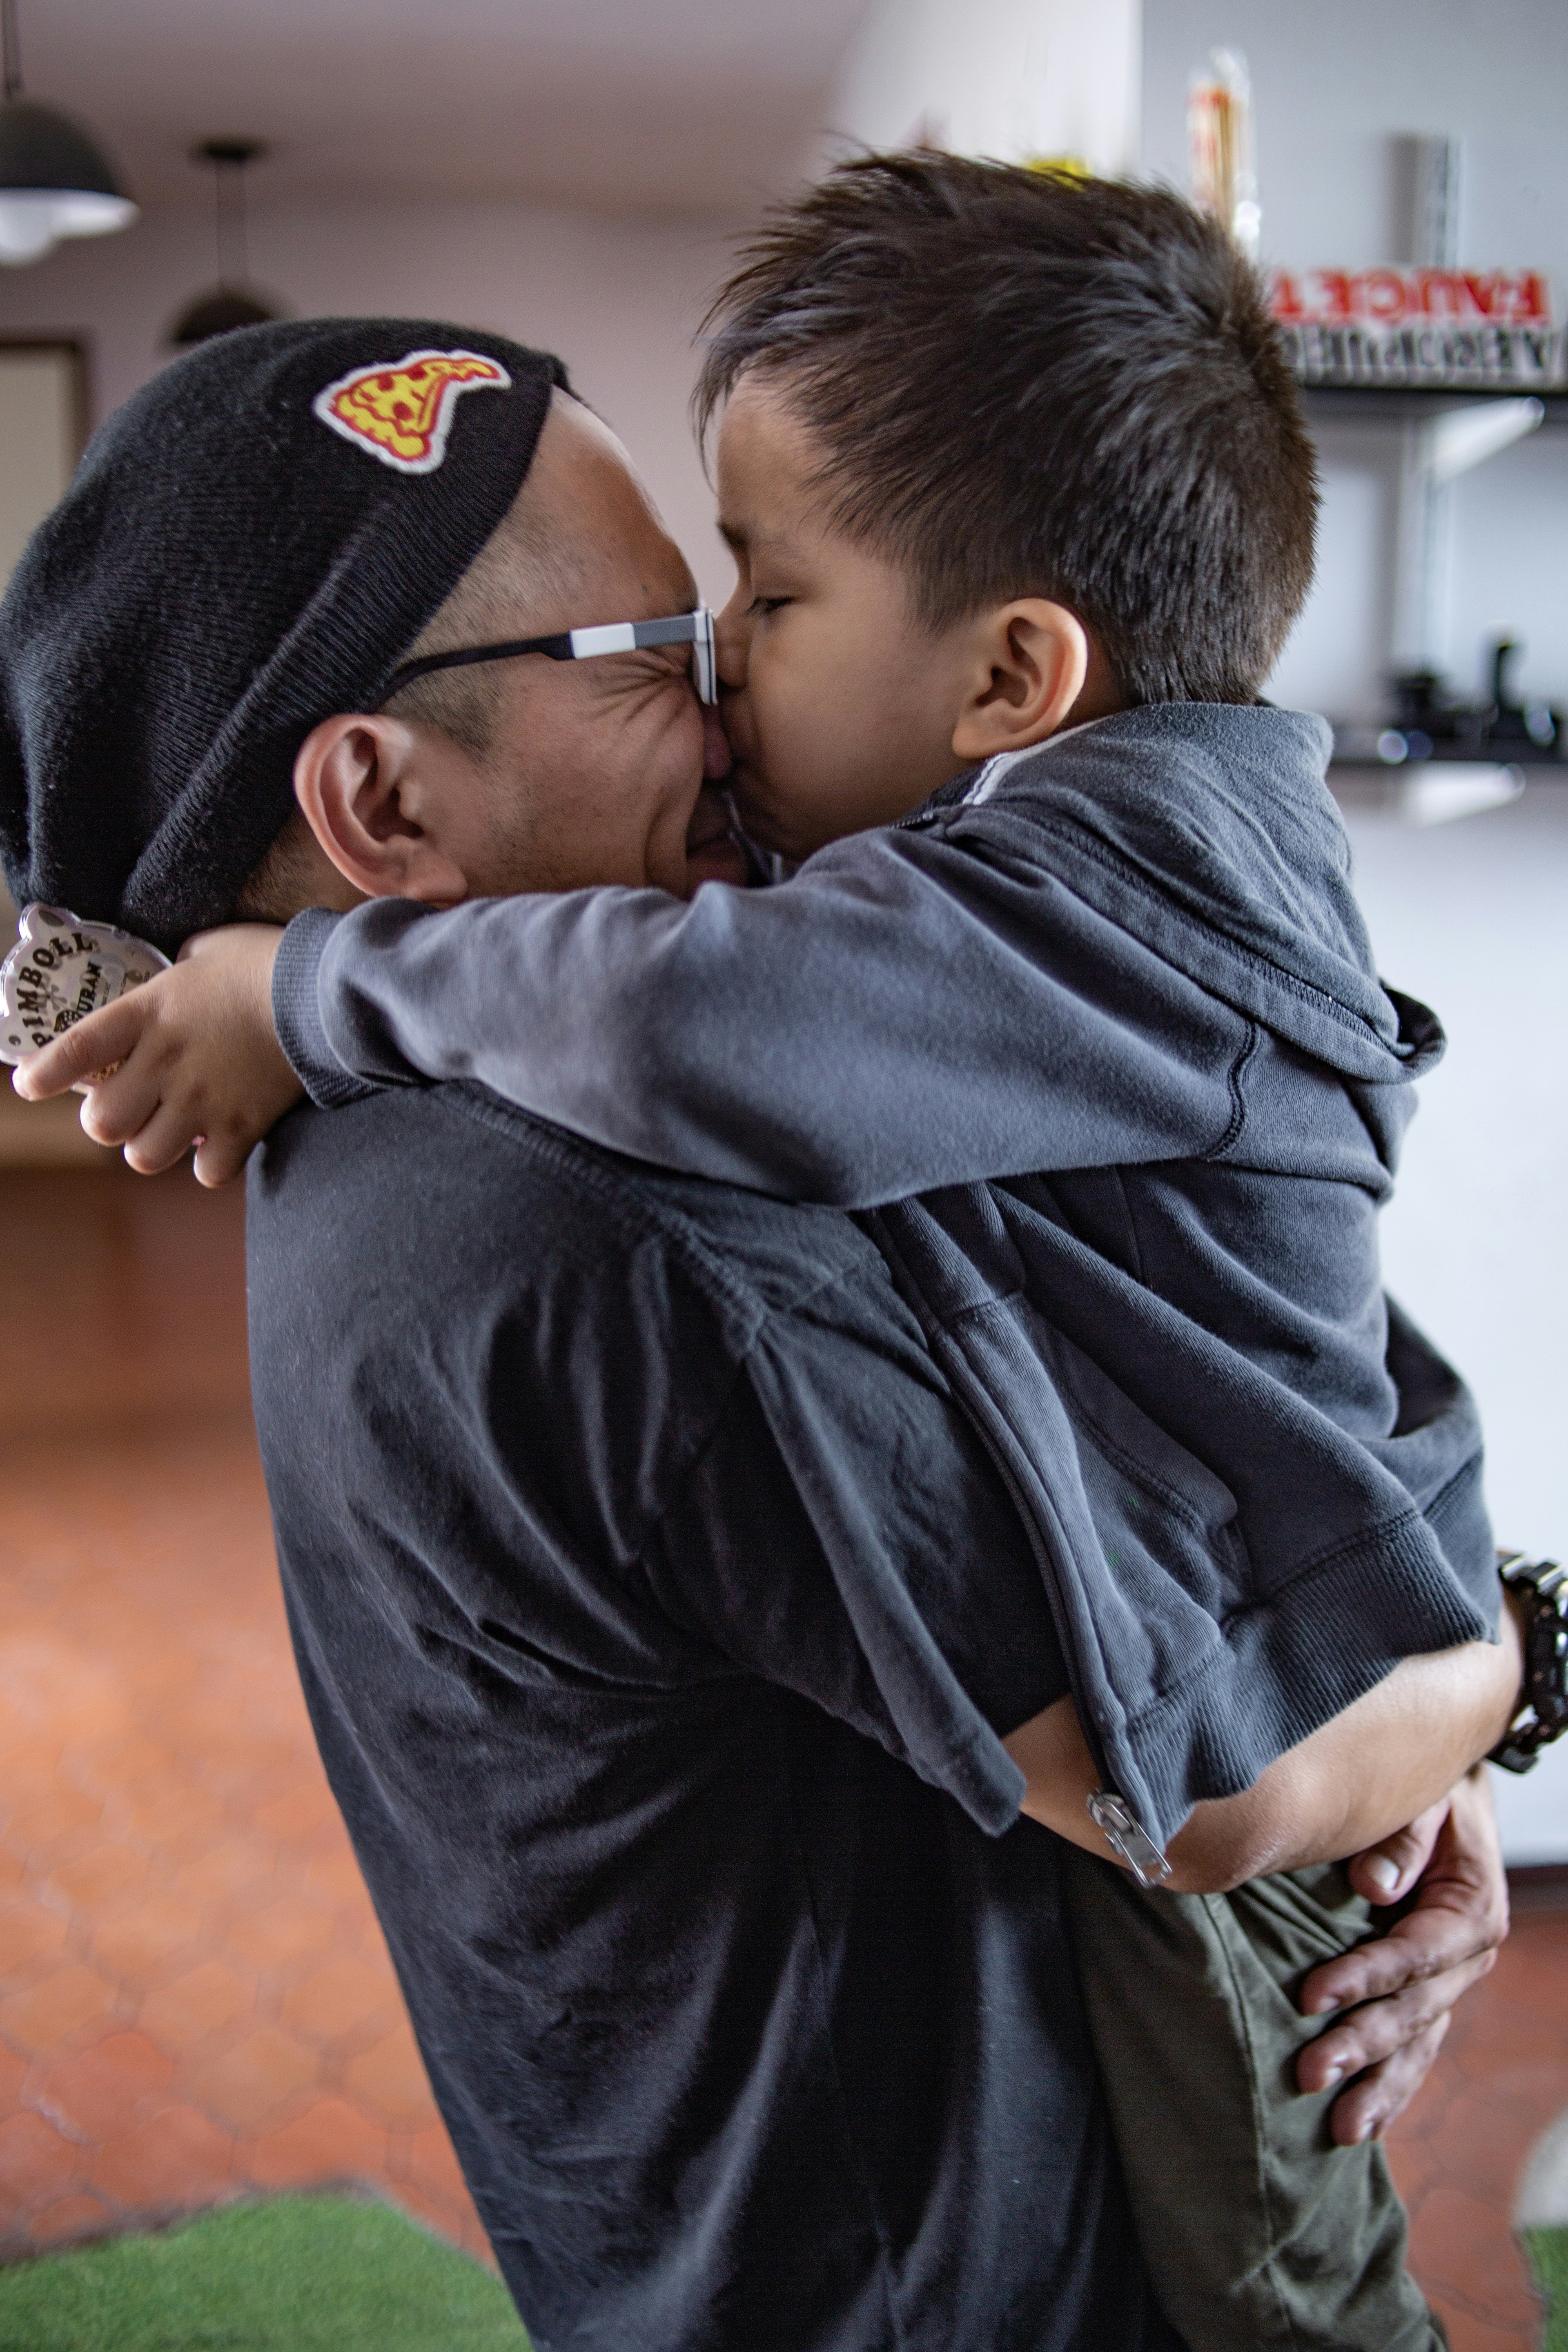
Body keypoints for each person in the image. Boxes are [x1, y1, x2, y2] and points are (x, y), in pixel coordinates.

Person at [7, 287, 1529, 2352]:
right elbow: (1228, 1774)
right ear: (384, 804)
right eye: (664, 649)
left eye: (750, 616)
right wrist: (1489, 1671)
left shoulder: (403, 1126)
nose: (735, 701)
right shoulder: (620, 1233)